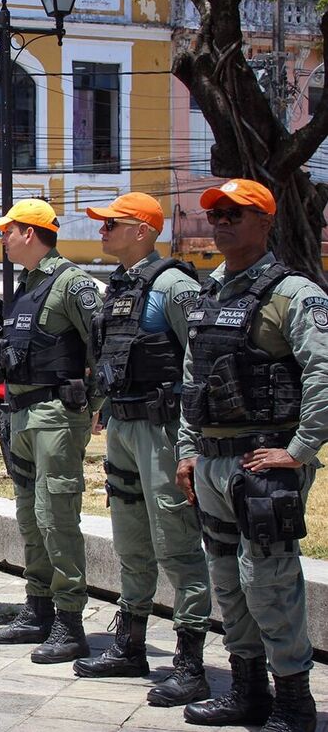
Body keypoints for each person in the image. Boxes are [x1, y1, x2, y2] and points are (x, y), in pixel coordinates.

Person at [175, 179, 326, 732]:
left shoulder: (296, 293)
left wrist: (301, 448)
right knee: (227, 582)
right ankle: (247, 690)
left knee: (269, 580)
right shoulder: (209, 292)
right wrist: (188, 452)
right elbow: (192, 381)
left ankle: (293, 702)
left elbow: (323, 371)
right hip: (213, 463)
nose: (221, 222)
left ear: (265, 222)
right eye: (215, 213)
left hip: (264, 465)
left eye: (236, 214)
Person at [73, 193, 212, 707]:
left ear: (141, 230)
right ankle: (131, 645)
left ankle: (191, 662)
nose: (102, 230)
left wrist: (190, 442)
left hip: (163, 430)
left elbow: (202, 361)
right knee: (130, 540)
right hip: (124, 429)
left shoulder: (174, 286)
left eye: (111, 224)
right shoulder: (118, 288)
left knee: (175, 542)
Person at [0, 199, 101, 664]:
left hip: (56, 414)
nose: (3, 238)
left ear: (30, 233)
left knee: (56, 517)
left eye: (8, 231)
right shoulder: (28, 287)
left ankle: (70, 623)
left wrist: (91, 409)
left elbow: (104, 346)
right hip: (22, 415)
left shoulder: (71, 282)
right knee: (31, 518)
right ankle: (38, 609)